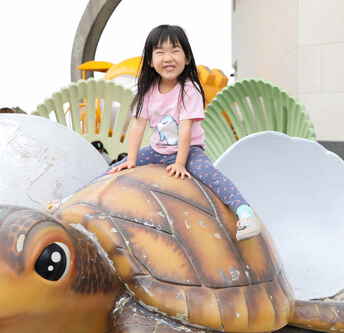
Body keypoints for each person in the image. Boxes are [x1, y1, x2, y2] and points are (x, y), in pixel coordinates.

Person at [105, 24, 260, 241]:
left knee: (210, 175)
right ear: (150, 60)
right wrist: (131, 160)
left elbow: (185, 127)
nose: (168, 57)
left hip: (190, 151)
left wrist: (180, 162)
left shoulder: (189, 89)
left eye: (174, 50)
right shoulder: (147, 91)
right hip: (157, 150)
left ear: (186, 58)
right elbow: (138, 125)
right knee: (115, 169)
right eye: (160, 52)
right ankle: (68, 199)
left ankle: (246, 215)